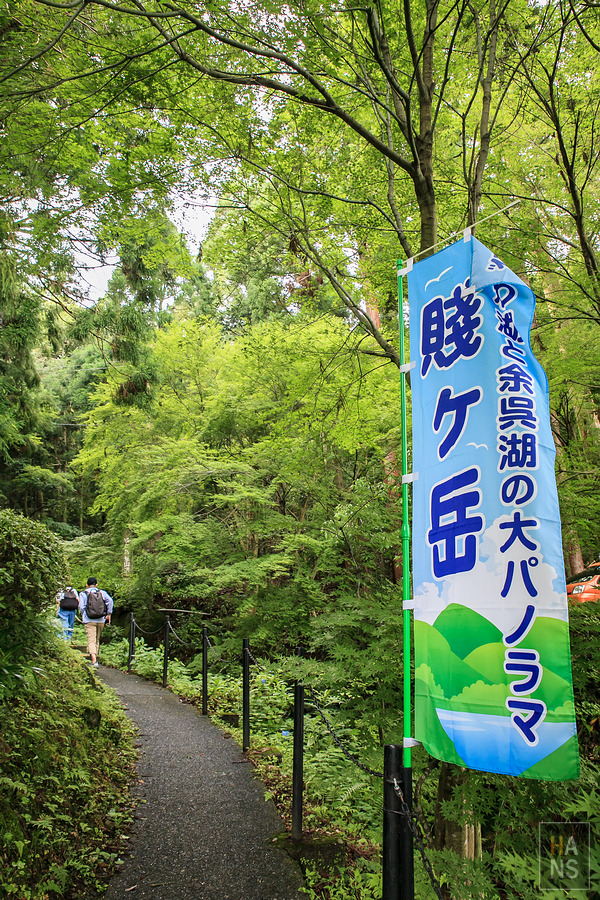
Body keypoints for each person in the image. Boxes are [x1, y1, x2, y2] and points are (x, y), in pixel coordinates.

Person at [79, 577, 113, 668]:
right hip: (101, 619)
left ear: (87, 585)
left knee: (91, 640)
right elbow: (109, 601)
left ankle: (94, 661)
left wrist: (84, 615)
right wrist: (109, 613)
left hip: (89, 620)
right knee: (96, 640)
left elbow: (82, 607)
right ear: (96, 585)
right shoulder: (102, 592)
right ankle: (95, 658)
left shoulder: (83, 593)